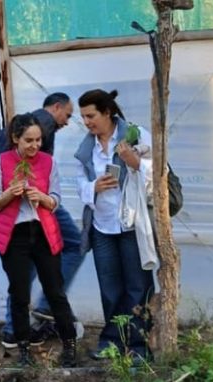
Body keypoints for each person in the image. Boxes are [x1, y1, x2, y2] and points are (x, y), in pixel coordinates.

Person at [0, 93, 85, 347]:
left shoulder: (45, 159)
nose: (35, 145)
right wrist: (11, 192)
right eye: (29, 140)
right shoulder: (39, 126)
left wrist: (43, 197)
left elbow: (54, 196)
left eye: (38, 140)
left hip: (39, 220)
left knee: (39, 283)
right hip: (18, 226)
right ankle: (28, 328)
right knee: (22, 287)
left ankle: (29, 332)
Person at [74, 89, 154, 362]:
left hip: (132, 224)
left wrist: (135, 162)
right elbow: (79, 184)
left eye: (91, 116)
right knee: (109, 287)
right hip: (102, 226)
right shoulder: (87, 148)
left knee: (137, 286)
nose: (86, 122)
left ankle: (140, 345)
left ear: (107, 112)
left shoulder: (136, 135)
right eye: (84, 117)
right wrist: (93, 187)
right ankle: (113, 341)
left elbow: (158, 172)